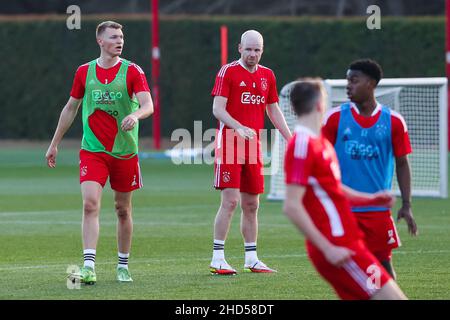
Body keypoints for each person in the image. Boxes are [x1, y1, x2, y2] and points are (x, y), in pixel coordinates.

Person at [45, 21, 154, 284]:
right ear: (100, 41)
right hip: (92, 150)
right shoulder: (84, 72)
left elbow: (148, 104)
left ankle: (123, 265)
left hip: (125, 152)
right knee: (90, 203)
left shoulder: (132, 71)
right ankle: (89, 266)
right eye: (114, 37)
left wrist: (135, 115)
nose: (120, 41)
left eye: (121, 37)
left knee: (122, 209)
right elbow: (71, 108)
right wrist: (54, 143)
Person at [283, 78, 407, 300]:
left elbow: (333, 189)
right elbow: (292, 206)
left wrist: (371, 199)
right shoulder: (302, 144)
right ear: (320, 104)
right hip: (338, 246)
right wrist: (327, 247)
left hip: (347, 242)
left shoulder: (320, 143)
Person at [322, 59, 418, 279]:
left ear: (371, 84)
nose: (348, 85)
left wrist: (406, 204)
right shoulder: (335, 119)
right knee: (346, 272)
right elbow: (320, 160)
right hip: (343, 210)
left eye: (354, 80)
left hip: (377, 212)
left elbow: (402, 164)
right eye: (347, 80)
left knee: (382, 268)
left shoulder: (393, 122)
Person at [209, 30, 292, 275]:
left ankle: (252, 258)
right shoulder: (228, 72)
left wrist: (291, 138)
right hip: (230, 143)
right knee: (231, 201)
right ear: (239, 48)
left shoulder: (268, 75)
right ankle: (217, 258)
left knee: (252, 204)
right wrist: (239, 127)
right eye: (248, 49)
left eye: (257, 50)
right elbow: (217, 109)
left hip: (253, 146)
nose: (252, 54)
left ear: (262, 50)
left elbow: (273, 110)